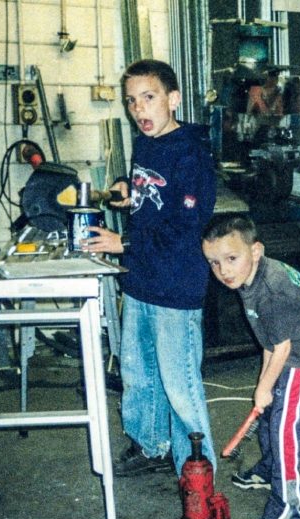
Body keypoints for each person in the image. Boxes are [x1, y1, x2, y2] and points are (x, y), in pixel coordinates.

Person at [83, 59, 217, 478]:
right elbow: (151, 190)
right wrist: (127, 187)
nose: (140, 109)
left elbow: (187, 226)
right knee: (138, 374)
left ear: (173, 99)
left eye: (149, 97)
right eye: (132, 101)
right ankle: (151, 445)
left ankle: (198, 470)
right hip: (140, 280)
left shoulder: (191, 154)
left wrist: (122, 242)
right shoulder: (147, 143)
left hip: (176, 285)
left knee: (180, 386)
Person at [201, 215, 300, 519]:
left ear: (255, 250)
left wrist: (263, 387)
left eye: (232, 259)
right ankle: (267, 467)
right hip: (285, 347)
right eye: (214, 263)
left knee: (284, 428)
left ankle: (288, 505)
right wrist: (265, 385)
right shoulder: (249, 278)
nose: (224, 271)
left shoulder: (271, 290)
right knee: (271, 412)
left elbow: (283, 347)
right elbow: (269, 341)